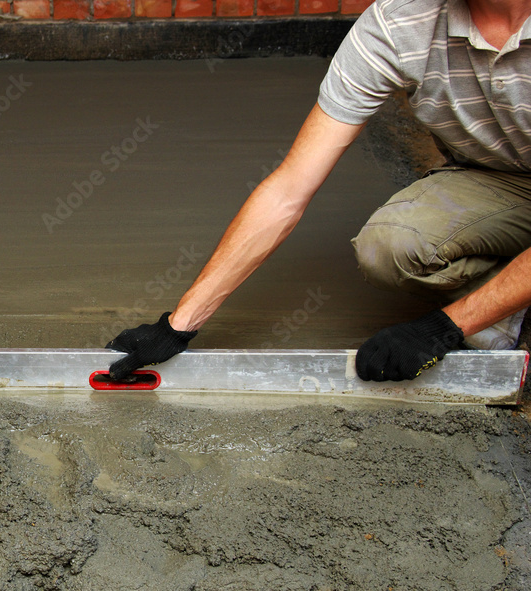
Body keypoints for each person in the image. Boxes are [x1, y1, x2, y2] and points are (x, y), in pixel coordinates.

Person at [107, 0, 531, 382]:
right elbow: (289, 189)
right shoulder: (399, 22)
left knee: (471, 325)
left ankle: (497, 301)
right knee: (389, 247)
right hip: (493, 177)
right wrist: (178, 325)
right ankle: (506, 281)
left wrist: (444, 327)